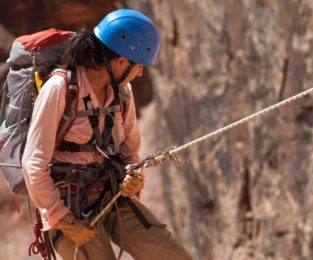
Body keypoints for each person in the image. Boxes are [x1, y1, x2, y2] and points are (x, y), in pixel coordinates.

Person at [22, 9, 192, 260]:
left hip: (111, 193)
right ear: (122, 61)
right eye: (139, 66)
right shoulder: (60, 89)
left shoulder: (123, 93)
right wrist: (65, 221)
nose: (140, 73)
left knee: (172, 256)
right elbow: (33, 163)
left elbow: (130, 151)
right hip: (67, 203)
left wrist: (134, 178)